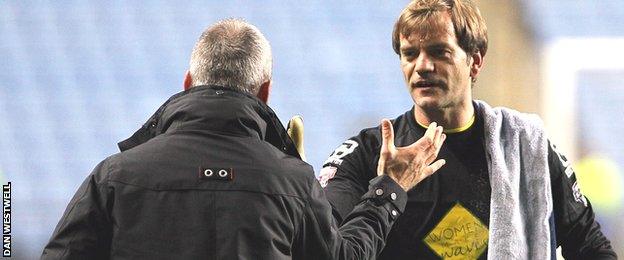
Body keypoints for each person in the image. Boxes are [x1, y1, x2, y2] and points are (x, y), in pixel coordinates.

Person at [41, 18, 447, 260]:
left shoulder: (114, 175)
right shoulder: (292, 181)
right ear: (265, 91)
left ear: (187, 83)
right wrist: (390, 189)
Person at [320, 1, 617, 259]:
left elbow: (592, 248)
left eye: (439, 52)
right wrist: (387, 186)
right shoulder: (366, 153)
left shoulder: (526, 148)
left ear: (475, 61)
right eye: (410, 54)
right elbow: (322, 244)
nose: (422, 66)